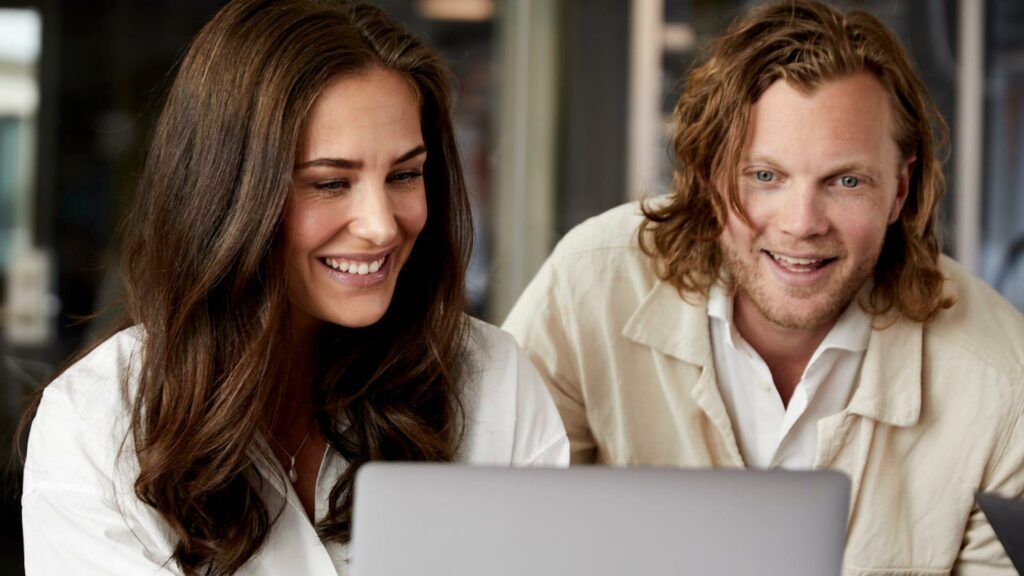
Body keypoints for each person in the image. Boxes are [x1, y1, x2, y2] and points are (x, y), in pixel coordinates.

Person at [21, 1, 568, 574]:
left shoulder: (491, 378)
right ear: (228, 194)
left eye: (405, 175)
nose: (382, 225)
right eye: (330, 183)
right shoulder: (97, 421)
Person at [504, 0, 1024, 573]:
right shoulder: (590, 287)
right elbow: (491, 527)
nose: (802, 223)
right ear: (709, 175)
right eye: (764, 176)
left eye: (846, 180)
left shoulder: (1002, 380)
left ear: (900, 190)